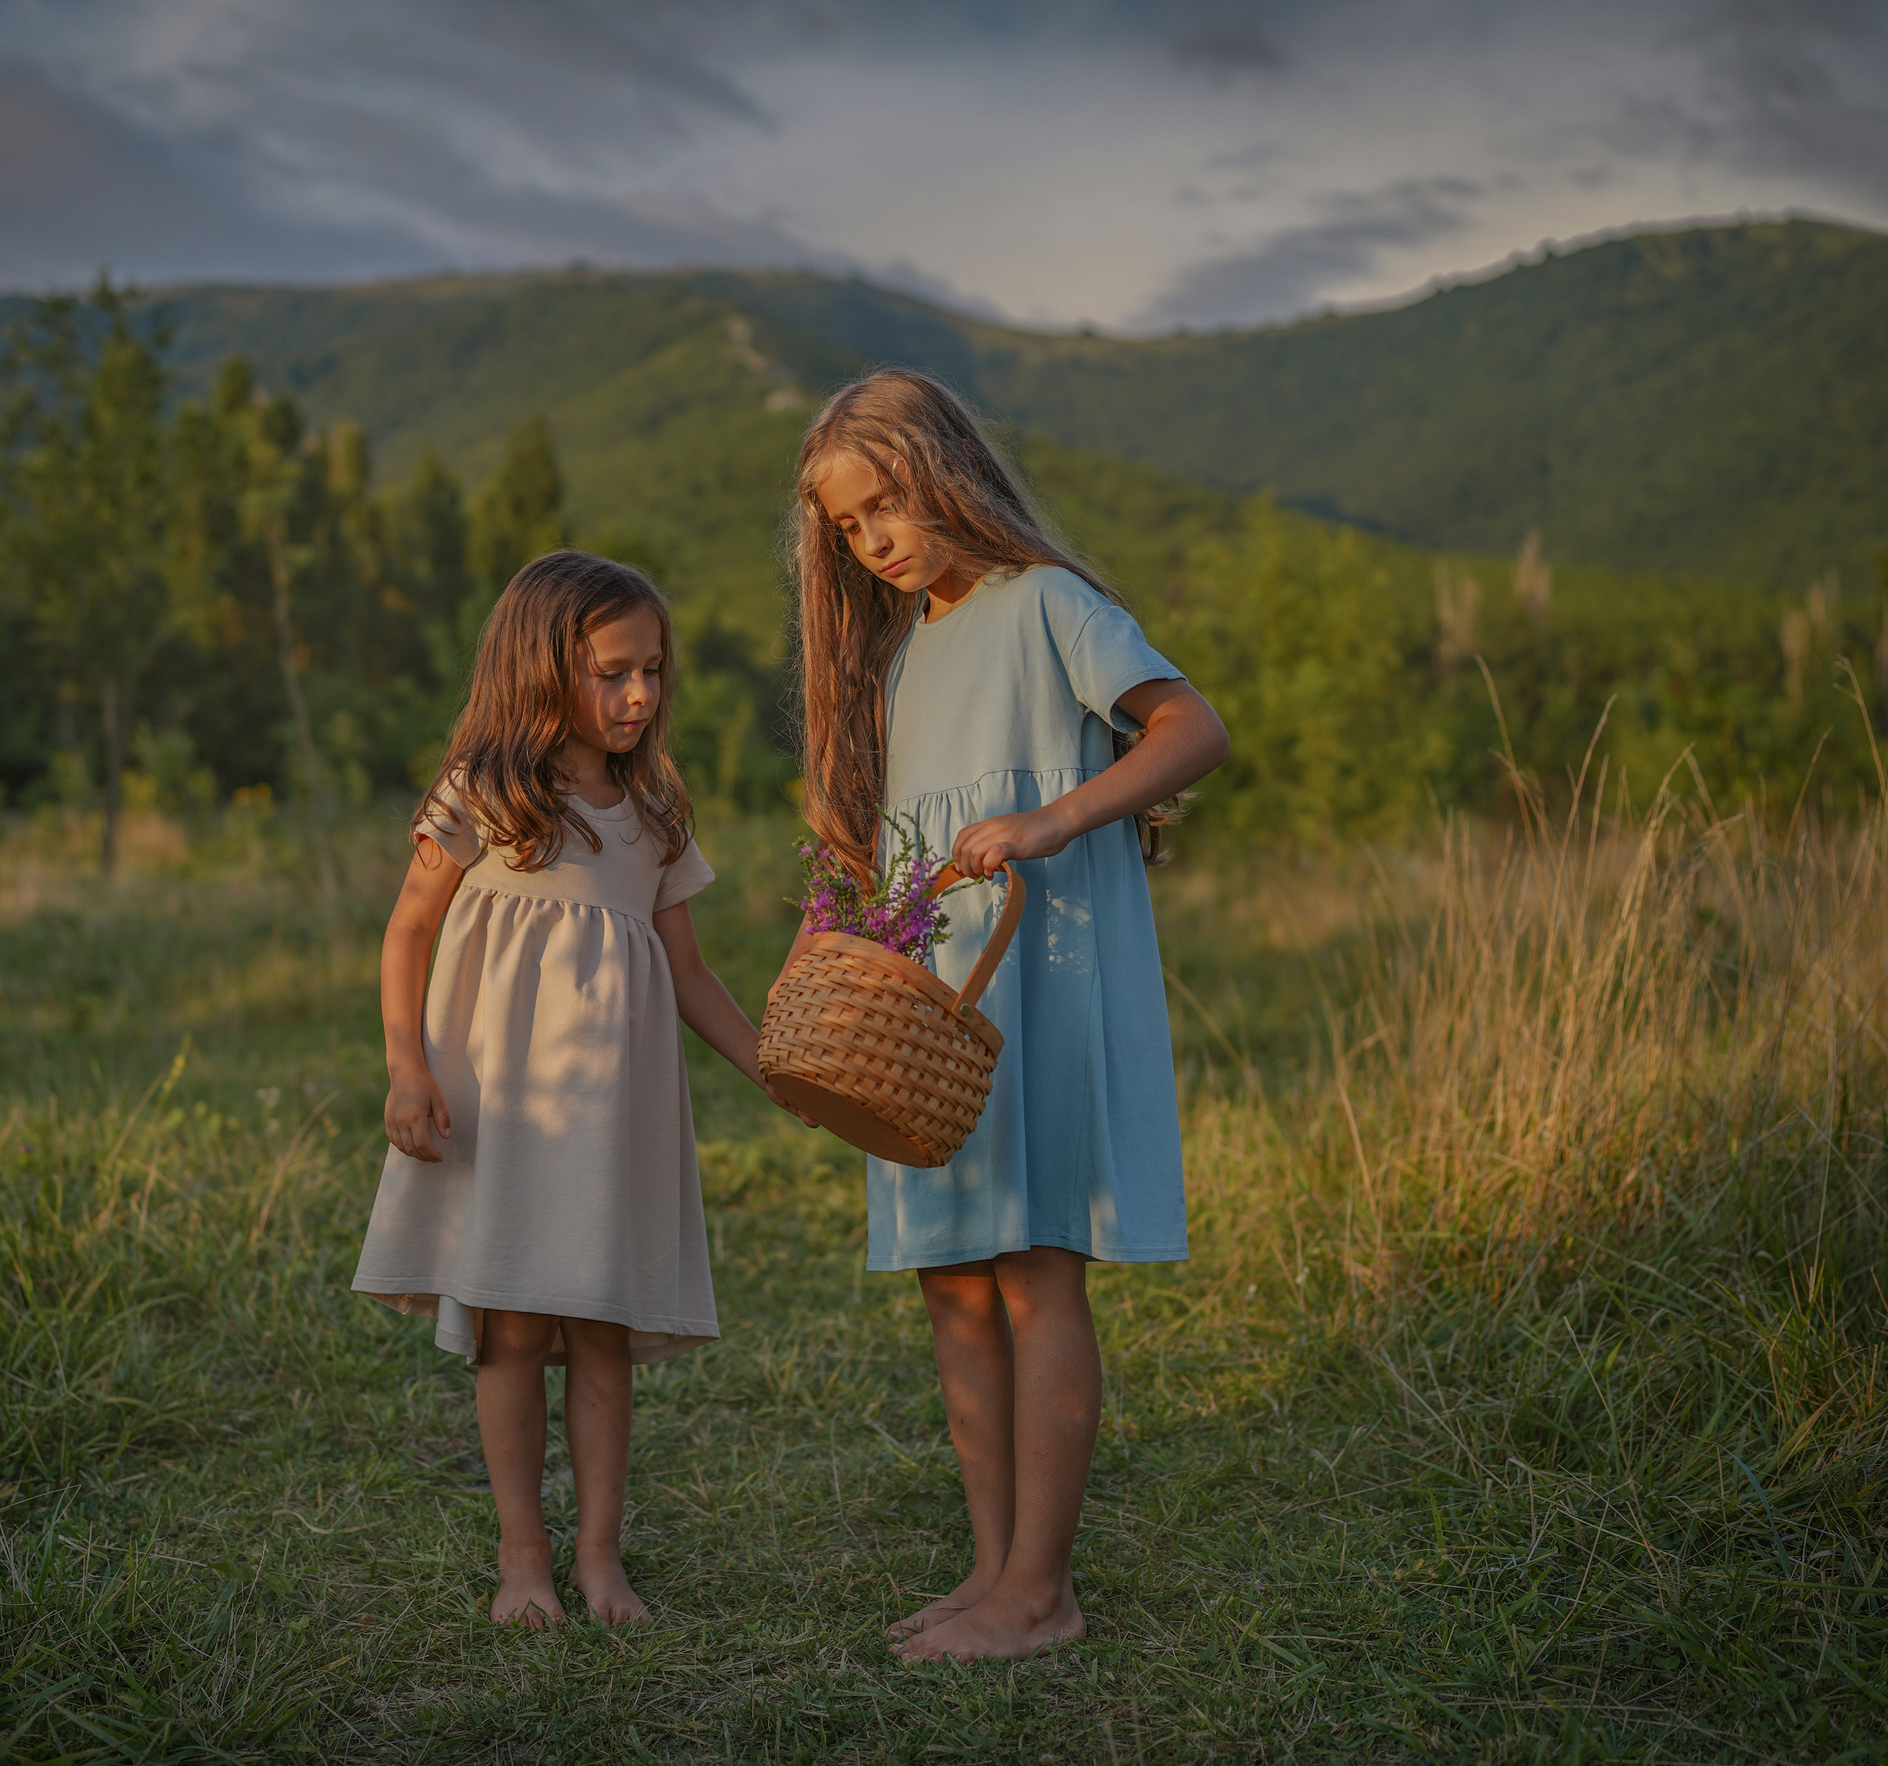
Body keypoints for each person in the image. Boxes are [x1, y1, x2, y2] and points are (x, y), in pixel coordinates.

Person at [784, 369, 1232, 1661]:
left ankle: (1043, 1588)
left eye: (885, 504)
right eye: (848, 526)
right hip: (937, 1017)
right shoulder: (904, 651)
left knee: (1036, 1273)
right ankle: (992, 1570)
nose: (873, 538)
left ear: (948, 471)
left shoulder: (1050, 607)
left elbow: (1191, 727)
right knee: (952, 1280)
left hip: (1044, 983)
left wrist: (1054, 817)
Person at [355, 549, 788, 1628]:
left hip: (612, 1120)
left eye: (651, 669)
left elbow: (688, 971)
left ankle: (601, 1558)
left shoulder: (655, 805)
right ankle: (522, 1561)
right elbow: (407, 931)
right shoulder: (488, 792)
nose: (639, 694)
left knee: (599, 1326)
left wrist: (777, 1067)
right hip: (503, 1108)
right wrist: (407, 1067)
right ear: (540, 668)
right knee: (508, 1327)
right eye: (611, 672)